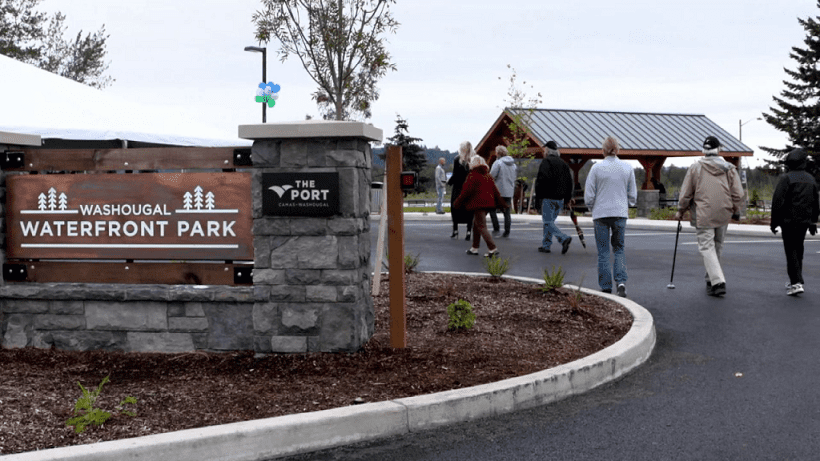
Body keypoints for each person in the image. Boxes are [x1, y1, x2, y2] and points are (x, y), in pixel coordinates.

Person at [674, 135, 744, 297]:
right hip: (723, 212)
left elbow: (686, 193)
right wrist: (736, 210)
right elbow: (738, 193)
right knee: (717, 246)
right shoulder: (729, 168)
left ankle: (717, 281)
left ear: (704, 150)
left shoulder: (695, 168)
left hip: (703, 213)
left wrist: (680, 210)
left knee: (706, 247)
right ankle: (710, 279)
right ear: (718, 150)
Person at [585, 136, 637, 298]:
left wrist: (591, 206)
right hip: (620, 212)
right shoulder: (627, 167)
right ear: (618, 149)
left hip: (601, 213)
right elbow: (632, 194)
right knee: (619, 248)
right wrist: (628, 203)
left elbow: (589, 193)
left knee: (603, 251)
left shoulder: (596, 168)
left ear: (603, 150)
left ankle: (606, 286)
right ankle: (621, 282)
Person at [770, 147, 819, 296]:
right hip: (804, 221)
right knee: (798, 250)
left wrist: (774, 222)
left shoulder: (787, 178)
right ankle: (796, 280)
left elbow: (778, 201)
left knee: (790, 250)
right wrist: (813, 222)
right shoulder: (810, 179)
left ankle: (796, 282)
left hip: (789, 221)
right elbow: (815, 202)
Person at [453, 155, 507, 257]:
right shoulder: (488, 176)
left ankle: (492, 248)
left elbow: (466, 191)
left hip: (478, 204)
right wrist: (502, 204)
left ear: (473, 164)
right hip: (488, 204)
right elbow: (495, 191)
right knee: (476, 224)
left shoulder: (473, 175)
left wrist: (457, 203)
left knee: (481, 226)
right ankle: (474, 247)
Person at [534, 140, 574, 254]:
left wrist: (537, 199)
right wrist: (567, 199)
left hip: (548, 197)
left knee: (547, 222)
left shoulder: (546, 162)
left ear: (547, 151)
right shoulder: (564, 164)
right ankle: (546, 245)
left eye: (544, 150)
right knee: (550, 222)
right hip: (560, 199)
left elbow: (541, 181)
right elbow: (569, 182)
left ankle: (563, 238)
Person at [447, 142, 475, 240]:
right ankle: (468, 231)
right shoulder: (474, 159)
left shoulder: (457, 159)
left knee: (455, 208)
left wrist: (449, 182)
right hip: (470, 188)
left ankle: (455, 230)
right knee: (469, 210)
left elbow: (455, 175)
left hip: (458, 188)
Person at [489, 145, 517, 238]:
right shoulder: (513, 164)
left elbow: (492, 176)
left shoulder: (498, 163)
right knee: (507, 212)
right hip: (509, 191)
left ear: (498, 153)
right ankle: (507, 231)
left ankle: (496, 228)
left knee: (492, 209)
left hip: (498, 190)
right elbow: (514, 177)